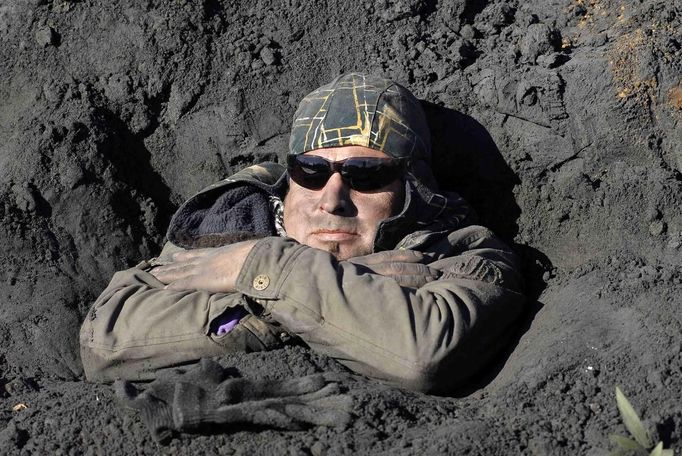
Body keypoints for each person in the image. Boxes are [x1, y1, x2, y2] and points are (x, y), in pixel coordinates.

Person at [80, 73, 525, 394]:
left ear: (412, 187)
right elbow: (107, 340)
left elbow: (423, 353)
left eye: (365, 174)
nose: (332, 198)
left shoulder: (457, 249)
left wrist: (270, 272)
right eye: (310, 171)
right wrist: (282, 290)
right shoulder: (229, 223)